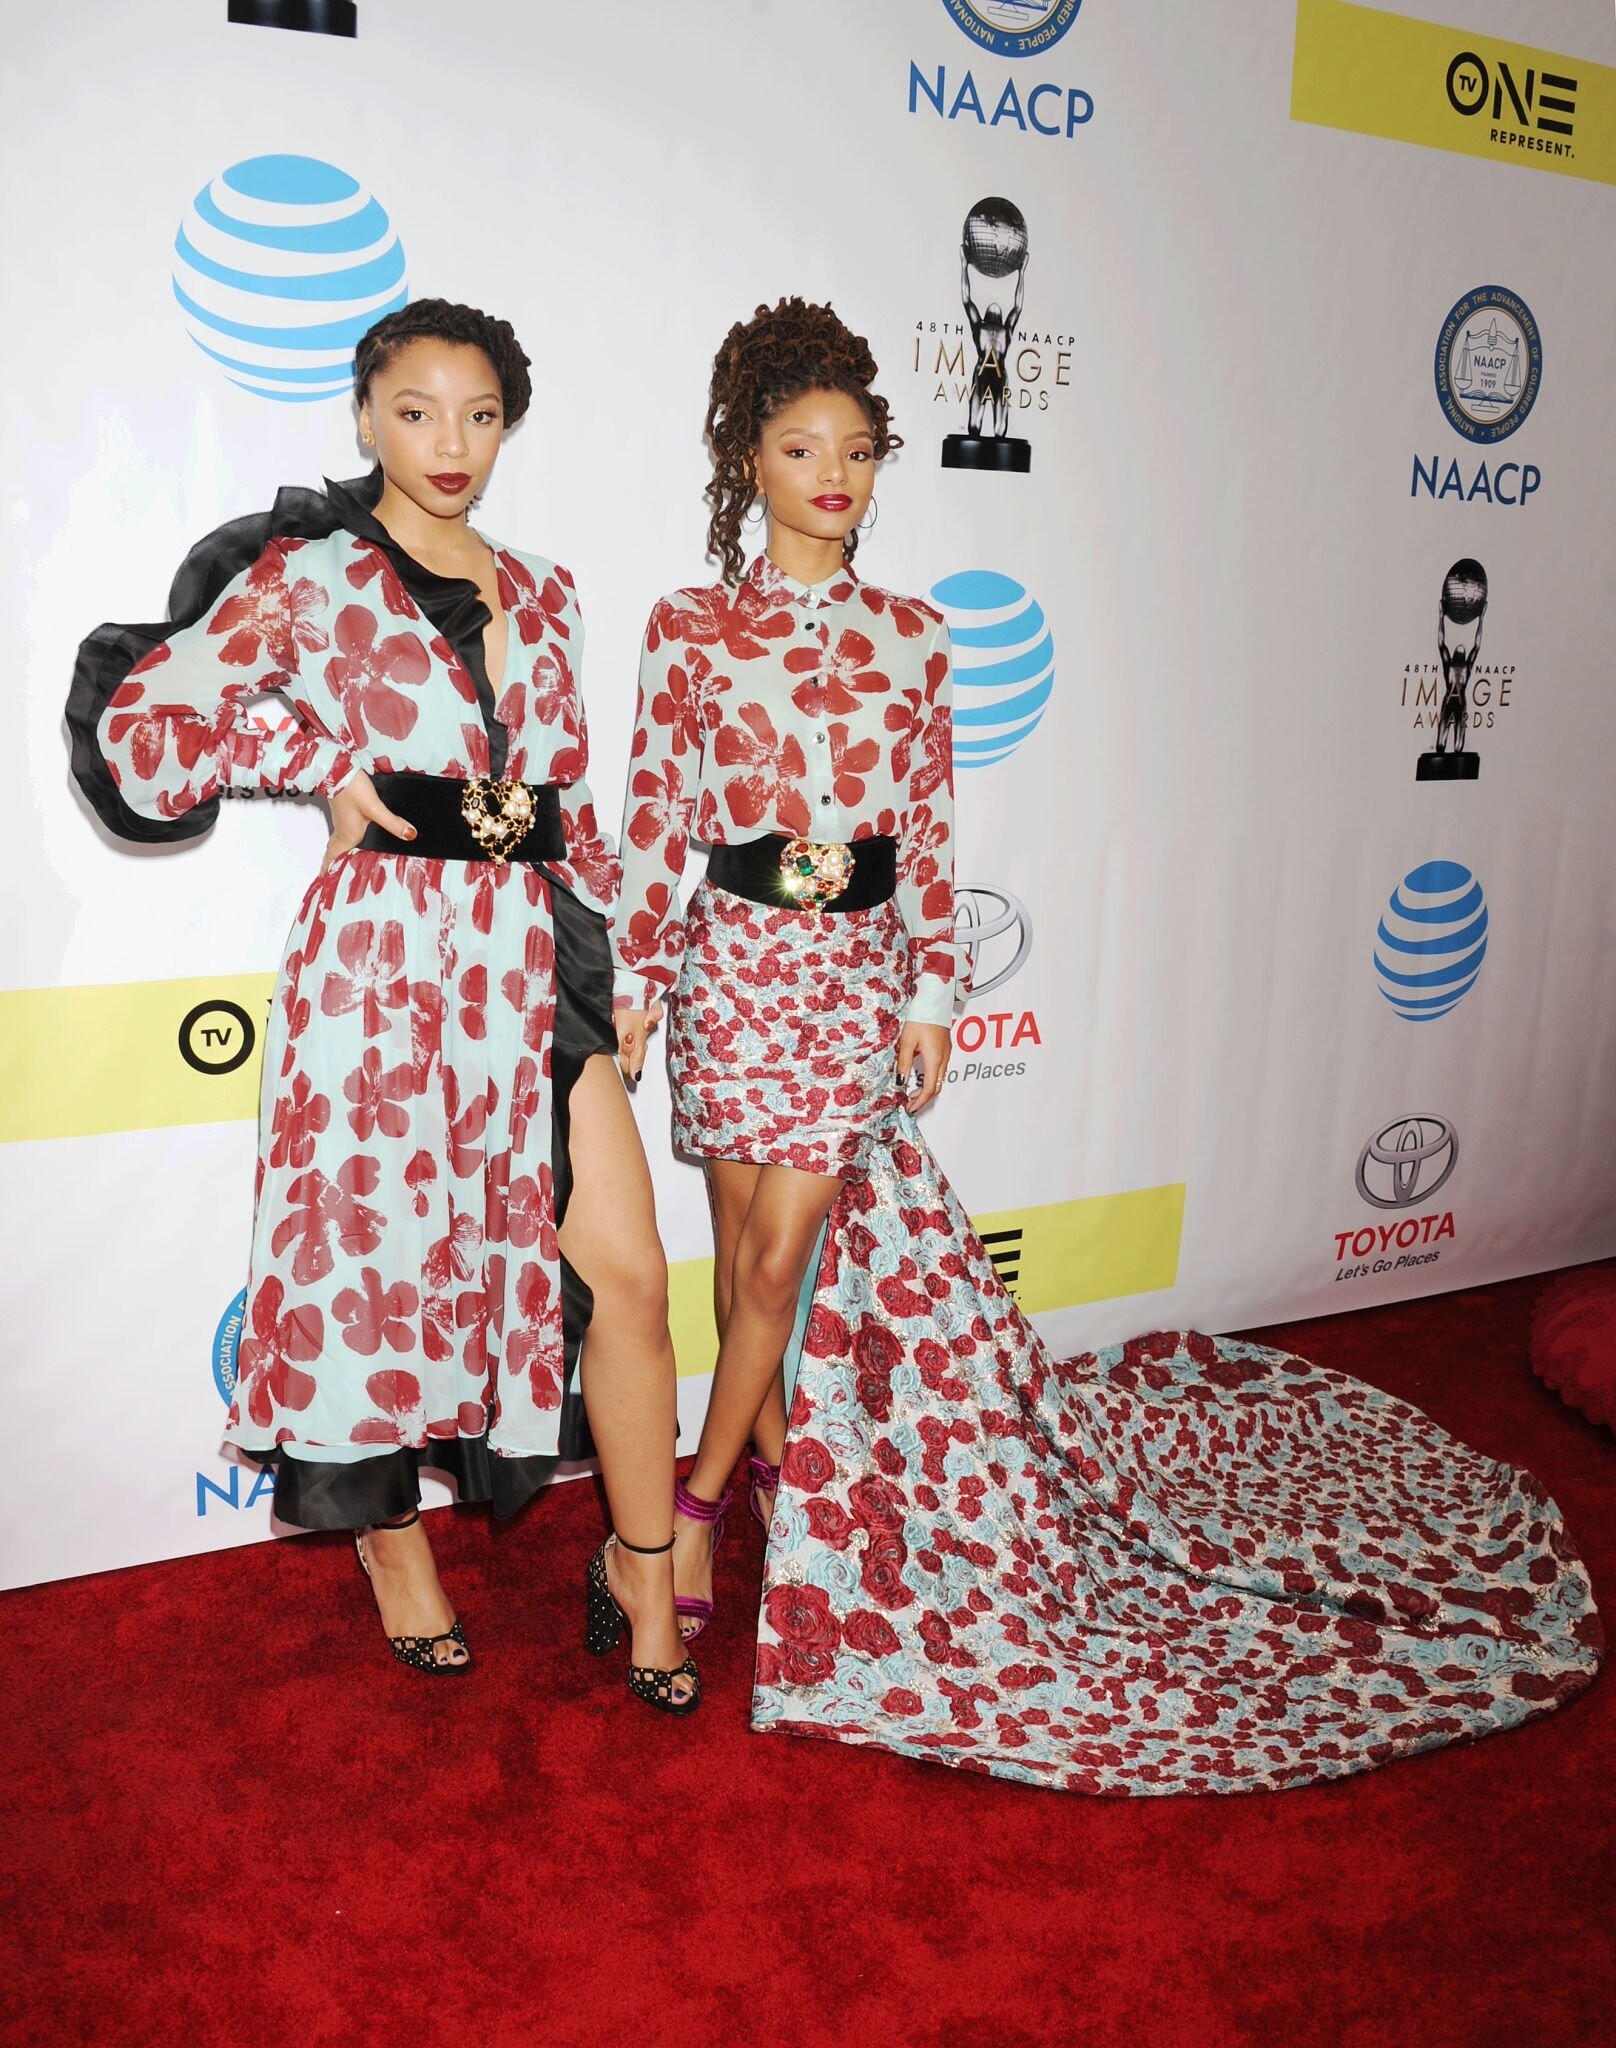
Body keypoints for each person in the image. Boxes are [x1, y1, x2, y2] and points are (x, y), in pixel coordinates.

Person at [611, 296, 1601, 1790]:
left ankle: (683, 1523)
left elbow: (929, 827)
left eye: (860, 450)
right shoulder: (690, 627)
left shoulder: (914, 637)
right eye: (804, 447)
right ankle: (766, 1470)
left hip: (850, 982)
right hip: (733, 973)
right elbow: (655, 820)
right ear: (748, 456)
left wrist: (931, 992)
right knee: (743, 1251)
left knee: (771, 1268)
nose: (836, 476)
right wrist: (638, 978)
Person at [70, 299, 697, 1713]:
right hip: (386, 966)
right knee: (381, 1272)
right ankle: (393, 1541)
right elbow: (144, 728)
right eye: (416, 411)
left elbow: (572, 798)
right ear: (365, 416)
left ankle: (645, 1570)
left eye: (479, 415)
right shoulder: (309, 577)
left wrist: (626, 967)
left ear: (508, 425)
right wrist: (313, 764)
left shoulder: (548, 589)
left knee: (634, 1275)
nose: (449, 442)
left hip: (538, 952)